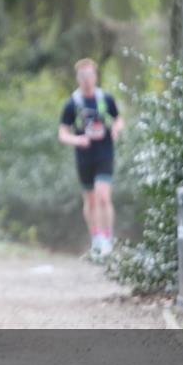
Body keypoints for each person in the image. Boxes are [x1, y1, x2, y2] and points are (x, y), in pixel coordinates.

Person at [58, 58, 124, 256]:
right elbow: (62, 133)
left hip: (105, 153)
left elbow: (118, 119)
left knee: (103, 196)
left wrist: (116, 129)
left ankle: (107, 239)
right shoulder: (72, 104)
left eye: (89, 75)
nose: (86, 79)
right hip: (84, 157)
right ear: (78, 78)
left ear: (95, 76)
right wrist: (77, 140)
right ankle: (96, 238)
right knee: (91, 199)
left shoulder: (106, 99)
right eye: (82, 76)